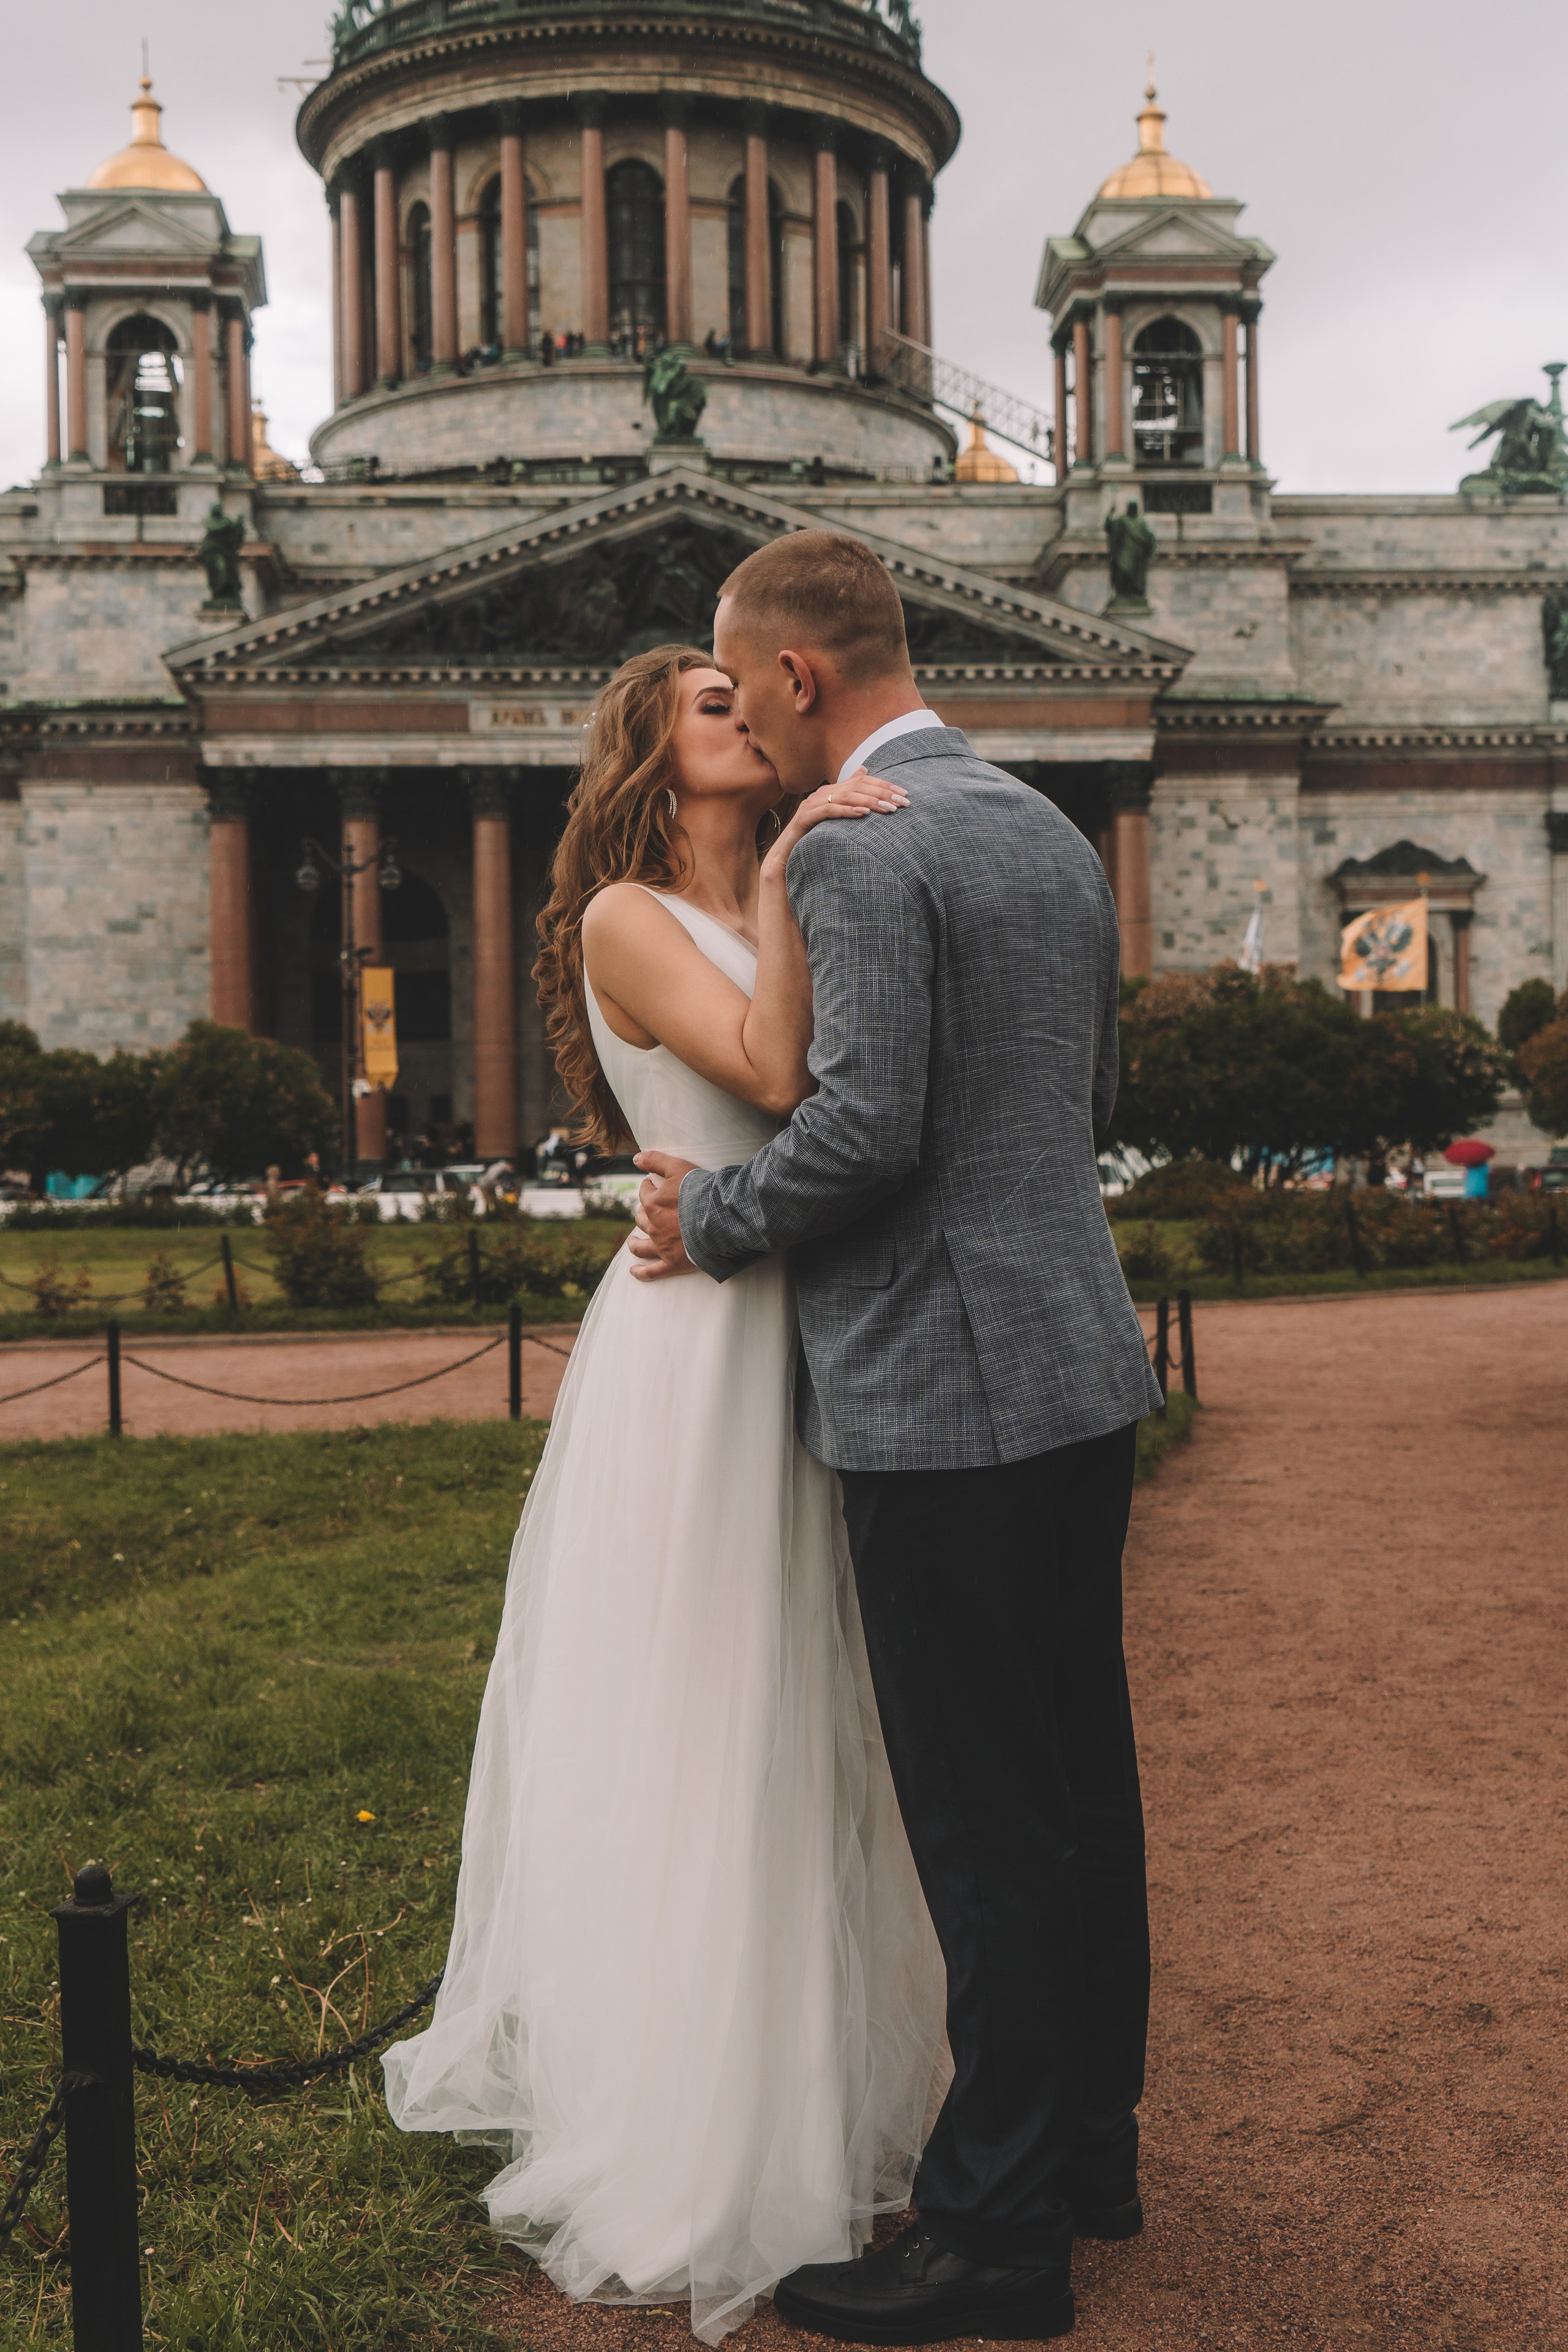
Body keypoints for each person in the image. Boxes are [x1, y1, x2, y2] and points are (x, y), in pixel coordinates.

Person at [382, 645, 949, 2344]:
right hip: (701, 1329)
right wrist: (789, 873)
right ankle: (699, 2142)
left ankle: (822, 2099)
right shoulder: (629, 915)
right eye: (712, 703)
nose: (749, 711)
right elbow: (776, 1081)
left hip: (797, 1301)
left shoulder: (802, 876)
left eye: (747, 694)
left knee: (821, 1706)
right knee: (710, 1702)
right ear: (650, 751)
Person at [631, 529, 1163, 2343]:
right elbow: (1085, 1098)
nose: (750, 724)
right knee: (1081, 1792)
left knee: (986, 1819)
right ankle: (1090, 2153)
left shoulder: (859, 847)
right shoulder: (1042, 829)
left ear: (796, 676)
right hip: (1077, 1366)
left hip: (941, 1395)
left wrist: (706, 1216)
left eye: (742, 683)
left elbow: (865, 1133)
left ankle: (997, 2235)